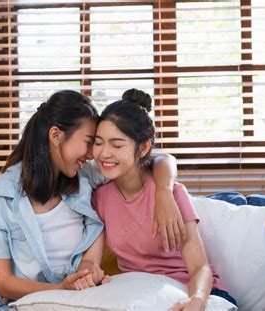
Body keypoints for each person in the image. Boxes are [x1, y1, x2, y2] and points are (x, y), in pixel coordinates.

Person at [0, 90, 184, 311]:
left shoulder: (86, 176)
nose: (93, 154)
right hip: (26, 305)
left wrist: (164, 191)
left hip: (80, 302)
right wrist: (61, 290)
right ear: (56, 136)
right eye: (89, 142)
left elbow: (159, 159)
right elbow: (3, 284)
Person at [91, 89, 237, 310]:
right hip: (143, 296)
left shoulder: (172, 193)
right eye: (98, 142)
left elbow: (200, 267)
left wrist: (197, 299)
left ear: (144, 148)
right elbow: (91, 260)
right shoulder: (100, 197)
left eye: (117, 145)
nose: (104, 153)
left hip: (196, 292)